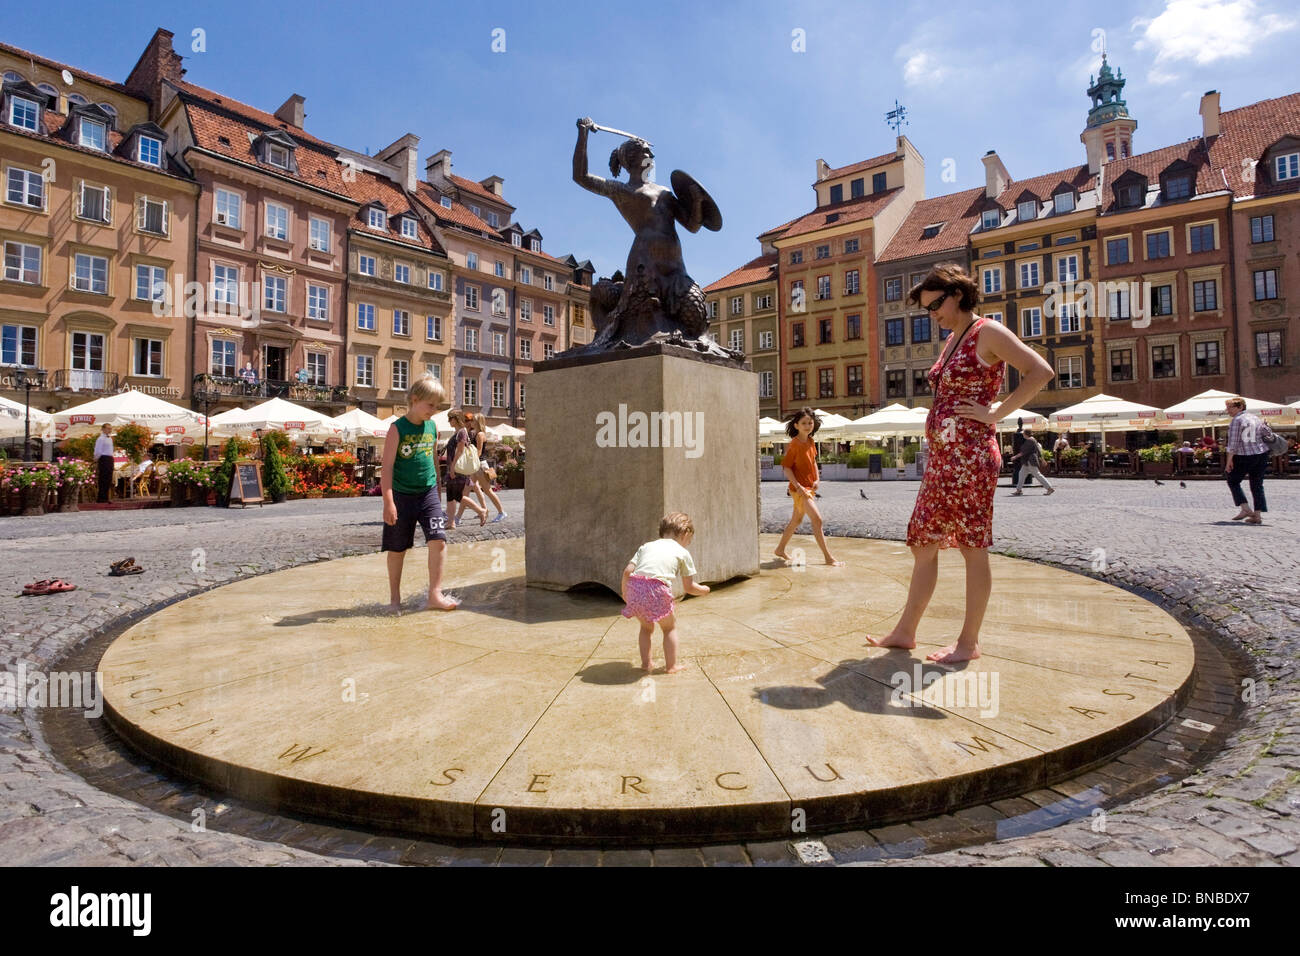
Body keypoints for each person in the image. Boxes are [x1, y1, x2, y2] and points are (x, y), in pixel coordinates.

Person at [867, 263, 1053, 663]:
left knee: (972, 547)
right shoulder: (953, 339)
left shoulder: (986, 331)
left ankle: (968, 643)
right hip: (943, 459)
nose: (930, 314)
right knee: (924, 543)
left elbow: (1040, 371)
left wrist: (996, 413)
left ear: (955, 296)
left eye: (933, 306)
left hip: (970, 456)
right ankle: (905, 631)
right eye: (926, 309)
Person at [381, 376, 458, 611]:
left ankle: (435, 594)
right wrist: (388, 502)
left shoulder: (432, 427)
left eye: (437, 406)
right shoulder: (397, 428)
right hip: (402, 496)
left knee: (439, 540)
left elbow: (434, 458)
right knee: (397, 548)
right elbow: (387, 468)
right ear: (414, 400)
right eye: (431, 405)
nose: (434, 411)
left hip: (428, 494)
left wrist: (438, 490)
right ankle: (395, 599)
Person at [621, 512, 710, 673]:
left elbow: (628, 571)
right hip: (656, 589)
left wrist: (625, 594)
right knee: (669, 628)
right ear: (685, 534)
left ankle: (646, 664)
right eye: (688, 541)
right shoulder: (682, 552)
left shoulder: (646, 546)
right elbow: (689, 587)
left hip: (635, 588)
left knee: (646, 628)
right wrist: (704, 590)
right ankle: (671, 666)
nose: (687, 545)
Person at [773, 407, 844, 567]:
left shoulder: (811, 441)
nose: (807, 425)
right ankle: (828, 557)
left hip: (808, 488)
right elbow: (786, 468)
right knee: (817, 520)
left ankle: (780, 549)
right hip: (800, 490)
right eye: (804, 423)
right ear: (796, 425)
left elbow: (813, 462)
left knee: (796, 521)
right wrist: (798, 487)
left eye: (810, 423)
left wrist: (818, 478)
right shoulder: (794, 444)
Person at [1224, 396, 1276, 525]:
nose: (1228, 410)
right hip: (1261, 453)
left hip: (1244, 455)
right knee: (1257, 484)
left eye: (1230, 407)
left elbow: (1233, 443)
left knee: (1233, 480)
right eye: (1227, 407)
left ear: (1240, 407)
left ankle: (1245, 508)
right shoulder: (1255, 418)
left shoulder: (1237, 420)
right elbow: (1268, 434)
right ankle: (1257, 515)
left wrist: (1229, 461)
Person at [443, 410, 488, 528]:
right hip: (454, 468)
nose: (448, 421)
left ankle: (481, 511)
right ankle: (451, 522)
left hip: (458, 469)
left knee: (457, 496)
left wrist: (452, 467)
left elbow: (460, 450)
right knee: (450, 495)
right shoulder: (458, 432)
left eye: (450, 418)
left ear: (456, 419)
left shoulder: (462, 432)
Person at [465, 416, 508, 522]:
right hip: (477, 464)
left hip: (479, 465)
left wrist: (470, 461)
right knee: (466, 490)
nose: (471, 422)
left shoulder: (480, 434)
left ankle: (501, 512)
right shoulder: (477, 433)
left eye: (473, 420)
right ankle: (457, 517)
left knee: (488, 491)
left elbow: (479, 452)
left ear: (477, 422)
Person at [1010, 429, 1054, 496]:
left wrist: (1015, 457)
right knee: (1021, 474)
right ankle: (1019, 490)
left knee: (1037, 475)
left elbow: (1024, 451)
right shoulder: (1032, 439)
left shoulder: (1030, 440)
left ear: (1026, 434)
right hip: (1027, 461)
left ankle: (1049, 488)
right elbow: (1038, 450)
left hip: (1030, 460)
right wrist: (1042, 459)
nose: (1022, 435)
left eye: (1023, 434)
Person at [94, 424, 115, 503]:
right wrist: (96, 458)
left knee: (108, 479)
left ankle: (106, 497)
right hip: (103, 458)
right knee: (103, 478)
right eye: (108, 428)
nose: (110, 430)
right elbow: (98, 450)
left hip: (109, 458)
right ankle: (101, 498)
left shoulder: (110, 439)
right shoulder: (100, 439)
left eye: (110, 428)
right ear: (103, 429)